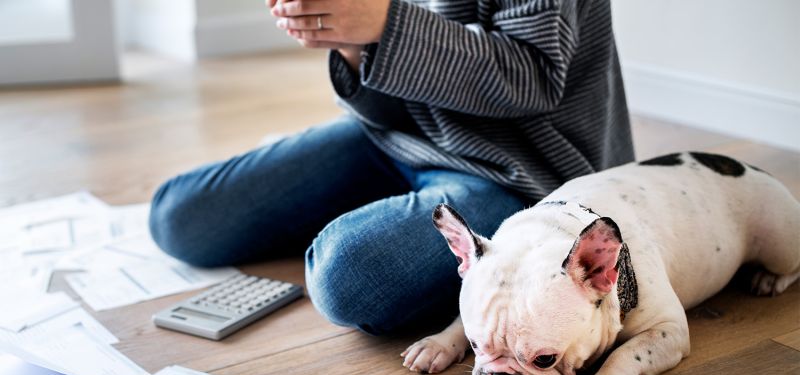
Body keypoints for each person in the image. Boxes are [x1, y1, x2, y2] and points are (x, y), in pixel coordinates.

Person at [148, 0, 634, 336]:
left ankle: (411, 235)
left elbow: (531, 78)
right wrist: (349, 40)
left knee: (348, 277)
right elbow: (388, 109)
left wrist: (385, 24)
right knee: (178, 217)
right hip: (401, 138)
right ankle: (392, 225)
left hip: (519, 169)